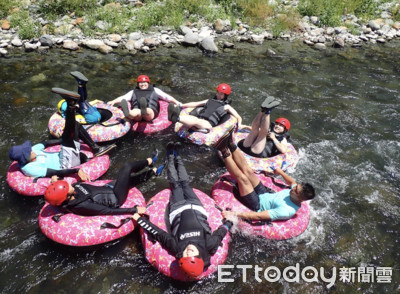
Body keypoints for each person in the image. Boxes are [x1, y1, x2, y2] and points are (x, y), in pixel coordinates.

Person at [132, 142, 233, 278]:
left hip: (178, 209)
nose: (188, 251)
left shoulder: (177, 247)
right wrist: (230, 221)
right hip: (197, 207)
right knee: (185, 183)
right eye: (192, 254)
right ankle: (178, 156)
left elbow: (158, 233)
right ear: (200, 257)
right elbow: (222, 231)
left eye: (185, 255)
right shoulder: (209, 245)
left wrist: (140, 220)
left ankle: (170, 157)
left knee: (175, 185)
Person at [9, 88, 112, 181]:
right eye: (29, 151)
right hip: (65, 164)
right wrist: (76, 171)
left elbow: (44, 143)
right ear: (25, 158)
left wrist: (61, 140)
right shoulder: (30, 169)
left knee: (75, 125)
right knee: (69, 138)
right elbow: (55, 173)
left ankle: (95, 148)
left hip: (63, 154)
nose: (31, 149)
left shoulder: (33, 151)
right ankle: (70, 104)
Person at [214, 128, 315, 222]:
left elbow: (258, 216)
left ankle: (223, 149)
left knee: (243, 178)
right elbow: (292, 182)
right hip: (265, 194)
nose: (293, 188)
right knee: (248, 171)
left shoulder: (287, 210)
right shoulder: (295, 191)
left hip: (257, 204)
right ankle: (230, 143)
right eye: (296, 187)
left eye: (296, 190)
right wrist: (281, 172)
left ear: (301, 199)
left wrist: (234, 214)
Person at [44, 151, 164, 216]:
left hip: (106, 188)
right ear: (66, 196)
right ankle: (149, 162)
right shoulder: (81, 205)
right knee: (126, 167)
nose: (69, 184)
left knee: (131, 179)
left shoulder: (67, 196)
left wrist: (58, 177)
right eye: (66, 186)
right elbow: (106, 211)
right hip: (116, 197)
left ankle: (153, 172)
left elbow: (60, 183)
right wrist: (134, 210)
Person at [167, 83, 243, 132]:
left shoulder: (227, 106)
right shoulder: (209, 100)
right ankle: (175, 116)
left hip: (209, 124)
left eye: (221, 94)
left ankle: (176, 118)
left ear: (225, 96)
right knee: (194, 119)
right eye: (218, 93)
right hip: (201, 119)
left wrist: (239, 124)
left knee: (196, 121)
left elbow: (238, 117)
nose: (218, 95)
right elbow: (195, 104)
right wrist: (182, 105)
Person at [107, 75, 181, 122]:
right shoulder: (133, 91)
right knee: (136, 111)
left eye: (144, 82)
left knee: (147, 111)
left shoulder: (155, 90)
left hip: (151, 112)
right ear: (138, 84)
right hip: (138, 113)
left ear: (148, 83)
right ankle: (128, 113)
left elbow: (166, 97)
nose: (142, 84)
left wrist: (176, 102)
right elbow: (123, 98)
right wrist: (114, 101)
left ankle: (143, 109)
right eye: (140, 83)